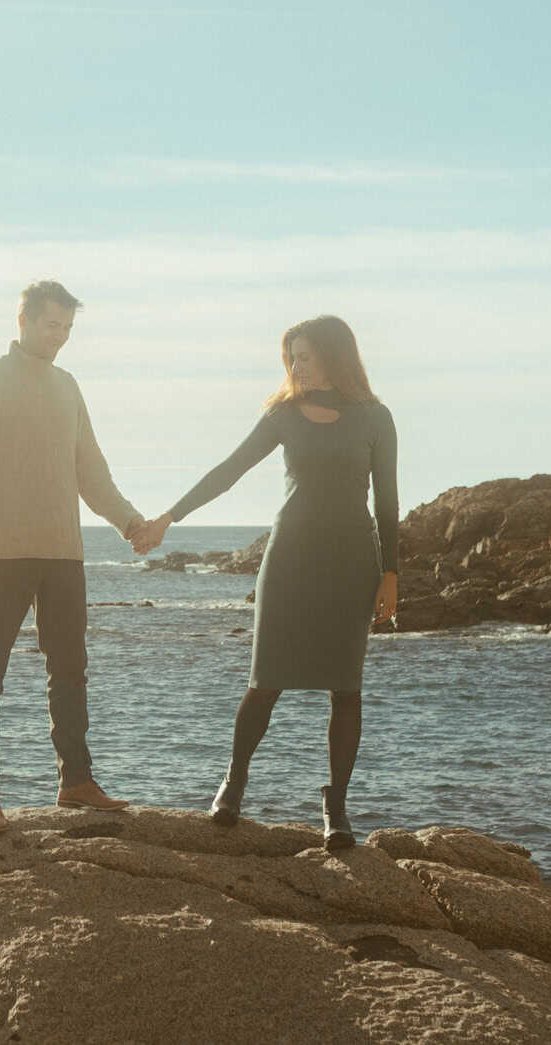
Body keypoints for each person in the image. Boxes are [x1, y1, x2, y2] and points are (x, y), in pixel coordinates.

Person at [141, 315, 397, 850]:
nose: (297, 367)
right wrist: (170, 517)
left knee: (346, 688)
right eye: (292, 358)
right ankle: (234, 783)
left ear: (334, 354)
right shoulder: (282, 415)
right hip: (290, 560)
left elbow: (388, 503)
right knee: (266, 679)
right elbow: (228, 471)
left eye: (305, 356)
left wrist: (390, 575)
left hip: (352, 562)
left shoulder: (376, 418)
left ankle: (337, 807)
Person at [0, 280, 153, 832]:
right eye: (50, 326)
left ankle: (76, 781)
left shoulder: (68, 387)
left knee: (70, 670)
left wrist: (130, 522)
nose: (59, 337)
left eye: (67, 328)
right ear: (23, 322)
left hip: (64, 553)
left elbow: (92, 472)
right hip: (1, 554)